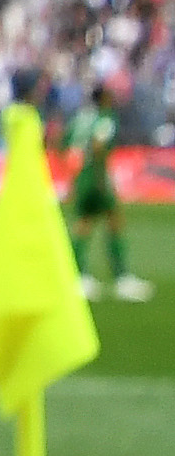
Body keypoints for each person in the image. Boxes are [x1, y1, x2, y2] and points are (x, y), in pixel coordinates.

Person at [63, 89, 146, 301]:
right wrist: (102, 180)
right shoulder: (105, 117)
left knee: (84, 223)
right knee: (114, 220)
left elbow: (64, 143)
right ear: (105, 99)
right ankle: (122, 278)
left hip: (81, 176)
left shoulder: (81, 118)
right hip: (96, 176)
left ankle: (78, 277)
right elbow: (99, 145)